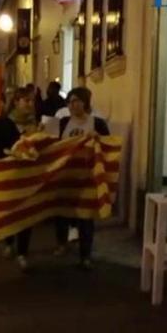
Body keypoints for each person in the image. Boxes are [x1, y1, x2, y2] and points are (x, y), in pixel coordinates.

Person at [54, 87, 111, 270]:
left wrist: (99, 139)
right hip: (65, 175)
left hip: (88, 177)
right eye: (69, 101)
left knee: (86, 217)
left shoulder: (97, 123)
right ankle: (62, 243)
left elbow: (109, 147)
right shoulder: (62, 123)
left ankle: (85, 255)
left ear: (85, 102)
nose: (72, 105)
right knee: (62, 212)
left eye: (76, 100)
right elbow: (50, 142)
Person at [0, 87, 40, 271]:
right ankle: (8, 242)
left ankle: (23, 252)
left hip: (29, 175)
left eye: (32, 101)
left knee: (27, 214)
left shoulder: (37, 124)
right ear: (16, 102)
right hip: (9, 174)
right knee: (9, 211)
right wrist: (10, 153)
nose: (30, 104)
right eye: (26, 100)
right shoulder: (5, 124)